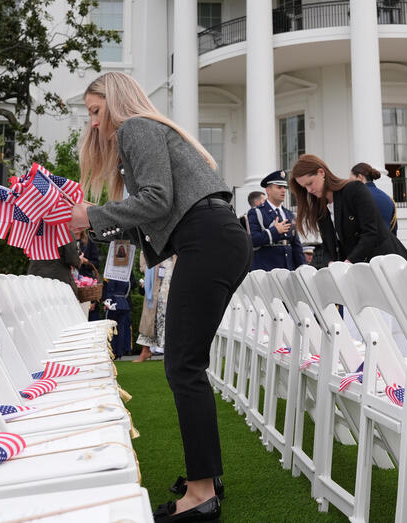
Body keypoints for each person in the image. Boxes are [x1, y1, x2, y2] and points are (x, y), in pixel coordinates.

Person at [70, 72, 250, 522]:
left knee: (184, 365)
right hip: (213, 239)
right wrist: (92, 220)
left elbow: (154, 199)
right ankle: (206, 478)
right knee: (186, 364)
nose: (92, 124)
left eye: (95, 111)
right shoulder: (147, 132)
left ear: (113, 101)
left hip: (207, 241)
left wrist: (90, 214)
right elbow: (151, 215)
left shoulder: (136, 127)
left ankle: (203, 492)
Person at [290, 154, 407, 263]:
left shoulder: (354, 189)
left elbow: (370, 233)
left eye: (310, 183)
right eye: (304, 187)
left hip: (388, 263)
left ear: (321, 173)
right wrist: (331, 263)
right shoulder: (321, 208)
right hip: (359, 271)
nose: (309, 190)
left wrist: (349, 261)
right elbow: (328, 247)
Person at [248, 170, 305, 271]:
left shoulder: (289, 214)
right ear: (268, 190)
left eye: (284, 187)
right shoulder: (257, 212)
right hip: (267, 269)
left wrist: (303, 267)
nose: (283, 190)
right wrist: (274, 231)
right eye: (279, 187)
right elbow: (252, 240)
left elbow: (296, 245)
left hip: (288, 269)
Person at [136, 254, 174, 362]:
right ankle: (145, 350)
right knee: (149, 315)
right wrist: (145, 269)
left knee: (167, 312)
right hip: (154, 271)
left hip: (170, 270)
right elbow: (144, 252)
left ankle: (168, 352)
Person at [350, 162, 398, 235]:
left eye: (351, 180)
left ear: (360, 177)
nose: (351, 184)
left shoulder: (357, 198)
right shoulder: (388, 199)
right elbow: (393, 231)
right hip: (386, 244)